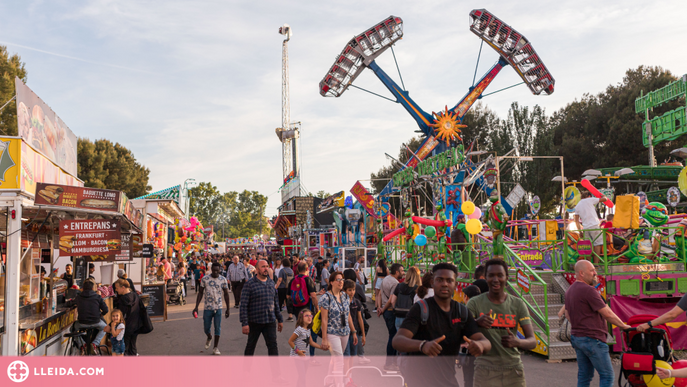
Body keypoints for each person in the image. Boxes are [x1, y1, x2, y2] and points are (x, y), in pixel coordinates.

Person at [393, 262, 491, 387]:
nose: (445, 284)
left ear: (455, 285)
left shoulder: (461, 312)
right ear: (433, 282)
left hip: (448, 381)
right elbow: (397, 340)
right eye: (440, 280)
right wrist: (422, 345)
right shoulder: (421, 309)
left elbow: (485, 342)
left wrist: (480, 345)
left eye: (449, 280)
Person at [467, 259, 537, 387]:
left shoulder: (517, 304)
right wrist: (476, 322)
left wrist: (518, 342)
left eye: (500, 275)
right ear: (485, 278)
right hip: (485, 370)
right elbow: (462, 331)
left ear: (507, 278)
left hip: (513, 370)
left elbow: (532, 341)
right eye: (491, 275)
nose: (495, 279)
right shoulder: (474, 303)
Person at [566, 260, 630, 387]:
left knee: (584, 376)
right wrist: (624, 326)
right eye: (592, 271)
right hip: (593, 338)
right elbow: (607, 314)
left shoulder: (570, 290)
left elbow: (567, 314)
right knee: (607, 375)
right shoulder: (589, 290)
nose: (595, 273)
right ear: (581, 273)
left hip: (577, 337)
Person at [320, 271, 358, 387]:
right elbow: (324, 320)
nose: (341, 282)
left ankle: (329, 381)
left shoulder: (345, 296)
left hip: (345, 332)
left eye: (342, 279)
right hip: (332, 332)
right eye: (338, 279)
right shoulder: (326, 297)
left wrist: (354, 331)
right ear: (331, 282)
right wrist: (324, 338)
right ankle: (339, 384)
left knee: (335, 358)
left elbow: (348, 315)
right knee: (339, 360)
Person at [240, 259, 284, 356]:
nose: (266, 269)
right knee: (251, 346)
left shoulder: (271, 283)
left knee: (273, 346)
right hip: (255, 321)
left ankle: (275, 370)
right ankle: (246, 370)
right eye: (263, 267)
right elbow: (243, 305)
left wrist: (280, 319)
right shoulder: (249, 284)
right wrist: (244, 323)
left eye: (267, 266)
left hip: (270, 321)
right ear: (257, 269)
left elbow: (275, 302)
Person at [192, 262, 231, 355]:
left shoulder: (223, 280)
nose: (215, 272)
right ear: (211, 270)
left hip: (218, 307)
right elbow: (200, 293)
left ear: (220, 270)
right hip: (207, 307)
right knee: (206, 328)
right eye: (214, 270)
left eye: (217, 271)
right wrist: (196, 307)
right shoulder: (205, 279)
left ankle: (215, 347)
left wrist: (228, 308)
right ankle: (209, 336)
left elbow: (226, 294)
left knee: (218, 327)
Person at [288, 261, 321, 356]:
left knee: (300, 330)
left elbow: (288, 296)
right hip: (307, 309)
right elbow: (313, 296)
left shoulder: (293, 280)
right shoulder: (308, 279)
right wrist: (317, 307)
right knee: (310, 332)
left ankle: (301, 351)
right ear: (307, 269)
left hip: (297, 310)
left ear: (297, 270)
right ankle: (309, 355)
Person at [378, 262, 404, 371]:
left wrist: (379, 307)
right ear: (397, 272)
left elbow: (379, 293)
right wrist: (383, 309)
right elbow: (391, 300)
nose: (403, 272)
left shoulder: (386, 279)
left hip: (385, 310)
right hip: (389, 310)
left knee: (392, 335)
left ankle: (392, 362)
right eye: (402, 271)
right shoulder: (395, 283)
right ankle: (389, 363)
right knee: (393, 337)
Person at [379, 266, 421, 330]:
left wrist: (396, 308)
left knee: (398, 337)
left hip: (399, 316)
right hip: (410, 317)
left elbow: (392, 301)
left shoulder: (399, 286)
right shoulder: (417, 288)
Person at [75, 280, 109, 351]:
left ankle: (82, 345)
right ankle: (94, 344)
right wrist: (100, 315)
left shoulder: (78, 297)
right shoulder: (98, 297)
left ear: (83, 289)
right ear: (93, 288)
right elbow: (106, 310)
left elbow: (70, 303)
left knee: (73, 329)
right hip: (96, 322)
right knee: (105, 327)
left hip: (82, 323)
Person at [574, 190, 609, 259]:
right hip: (594, 226)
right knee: (597, 244)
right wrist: (603, 196)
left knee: (587, 246)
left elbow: (576, 220)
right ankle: (596, 264)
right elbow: (605, 199)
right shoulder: (589, 199)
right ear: (589, 196)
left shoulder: (578, 205)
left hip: (586, 228)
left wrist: (580, 231)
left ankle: (588, 264)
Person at [113, 279, 142, 356]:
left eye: (117, 288)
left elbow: (120, 315)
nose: (116, 290)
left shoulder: (122, 300)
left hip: (126, 326)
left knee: (124, 348)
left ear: (123, 287)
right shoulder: (135, 296)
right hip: (136, 324)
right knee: (132, 347)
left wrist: (112, 325)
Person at [343, 279, 365, 357]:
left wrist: (363, 334)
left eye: (353, 290)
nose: (352, 292)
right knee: (346, 355)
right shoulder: (341, 302)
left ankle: (350, 369)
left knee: (353, 355)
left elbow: (360, 319)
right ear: (344, 291)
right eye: (349, 290)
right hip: (344, 332)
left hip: (355, 332)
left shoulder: (357, 302)